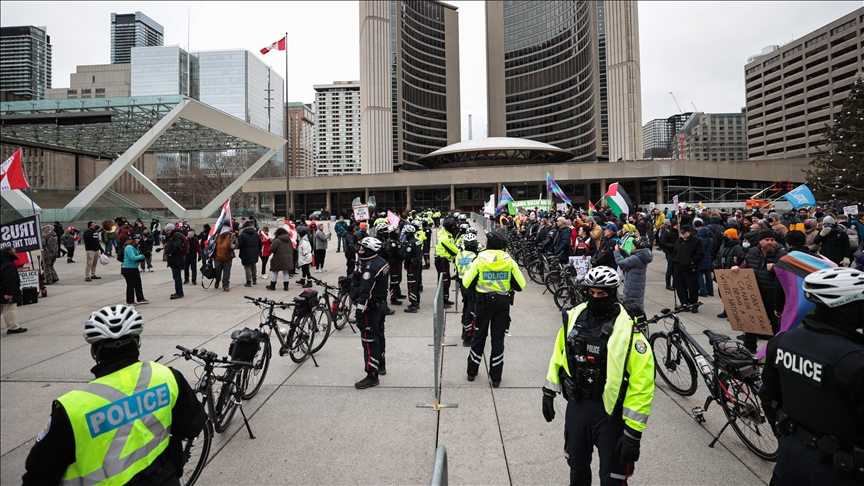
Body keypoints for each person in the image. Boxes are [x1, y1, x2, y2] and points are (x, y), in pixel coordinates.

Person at [22, 304, 206, 485]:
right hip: (163, 478)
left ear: (95, 351)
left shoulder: (72, 408)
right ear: (137, 343)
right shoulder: (166, 376)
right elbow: (191, 427)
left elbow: (39, 474)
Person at [542, 266, 655, 486]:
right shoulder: (574, 317)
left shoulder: (629, 328)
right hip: (578, 406)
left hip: (610, 414)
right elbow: (559, 354)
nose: (596, 297)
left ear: (613, 294)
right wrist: (549, 391)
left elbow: (642, 381)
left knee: (612, 477)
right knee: (577, 467)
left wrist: (633, 431)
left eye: (602, 294)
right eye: (591, 292)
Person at [759, 267, 864, 485]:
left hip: (791, 454)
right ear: (851, 306)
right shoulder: (854, 362)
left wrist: (788, 437)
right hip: (842, 468)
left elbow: (769, 397)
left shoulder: (782, 342)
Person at [462, 231, 526, 387]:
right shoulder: (509, 261)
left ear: (488, 244)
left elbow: (466, 282)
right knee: (498, 340)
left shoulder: (479, 260)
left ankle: (472, 371)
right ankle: (496, 378)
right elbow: (521, 285)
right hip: (502, 305)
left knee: (478, 336)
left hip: (483, 304)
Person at [731, 230, 787, 352]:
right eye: (766, 240)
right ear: (760, 241)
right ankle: (749, 347)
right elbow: (745, 266)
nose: (770, 242)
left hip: (772, 296)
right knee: (751, 323)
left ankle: (776, 350)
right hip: (753, 294)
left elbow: (787, 274)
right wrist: (737, 269)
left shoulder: (782, 255)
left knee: (776, 325)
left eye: (772, 240)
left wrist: (774, 269)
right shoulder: (752, 252)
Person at [351, 237, 390, 389]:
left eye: (362, 248)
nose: (359, 250)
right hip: (381, 306)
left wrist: (359, 312)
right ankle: (381, 365)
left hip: (370, 309)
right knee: (379, 335)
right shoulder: (381, 261)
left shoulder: (369, 267)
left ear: (369, 250)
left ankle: (371, 375)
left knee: (369, 341)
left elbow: (365, 292)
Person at [454, 232, 481, 344]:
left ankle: (464, 331)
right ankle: (468, 336)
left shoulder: (459, 255)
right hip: (472, 287)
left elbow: (456, 269)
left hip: (462, 286)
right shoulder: (475, 257)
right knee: (472, 311)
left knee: (466, 309)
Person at [714, 228, 747, 318]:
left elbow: (741, 259)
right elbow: (718, 256)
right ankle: (726, 310)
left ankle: (733, 312)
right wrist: (715, 264)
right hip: (722, 272)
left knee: (732, 294)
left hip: (731, 273)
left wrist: (736, 261)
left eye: (727, 235)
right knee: (723, 293)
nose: (725, 236)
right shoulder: (723, 245)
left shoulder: (737, 247)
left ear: (732, 237)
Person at [614, 236, 653, 310]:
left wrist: (616, 251)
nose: (632, 245)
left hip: (632, 286)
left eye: (633, 244)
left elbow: (620, 263)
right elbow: (630, 258)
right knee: (638, 302)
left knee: (631, 305)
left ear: (636, 246)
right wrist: (622, 251)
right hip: (637, 284)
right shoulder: (642, 254)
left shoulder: (636, 258)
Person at [672, 225, 704, 312]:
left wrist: (692, 261)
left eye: (684, 232)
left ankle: (694, 304)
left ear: (689, 232)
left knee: (692, 287)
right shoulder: (678, 241)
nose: (682, 234)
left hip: (690, 268)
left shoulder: (696, 241)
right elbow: (675, 253)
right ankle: (684, 303)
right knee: (680, 287)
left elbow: (700, 254)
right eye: (681, 232)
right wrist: (674, 262)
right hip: (678, 267)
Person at [1, 246, 27, 334]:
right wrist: (10, 292)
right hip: (5, 290)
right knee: (10, 308)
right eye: (14, 252)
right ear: (10, 253)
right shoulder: (9, 264)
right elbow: (9, 279)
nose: (16, 253)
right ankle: (12, 327)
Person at [435, 219, 460, 308]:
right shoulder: (445, 238)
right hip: (441, 261)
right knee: (444, 282)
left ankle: (445, 299)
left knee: (447, 281)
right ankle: (442, 302)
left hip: (444, 261)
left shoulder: (444, 233)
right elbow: (455, 250)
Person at [120, 234, 148, 305]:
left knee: (138, 284)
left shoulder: (136, 247)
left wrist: (143, 256)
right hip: (128, 268)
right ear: (133, 239)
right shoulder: (129, 247)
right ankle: (130, 300)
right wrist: (143, 255)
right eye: (137, 239)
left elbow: (137, 257)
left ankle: (140, 298)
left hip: (134, 268)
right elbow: (133, 257)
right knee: (131, 285)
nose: (139, 240)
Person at [211, 223, 238, 292]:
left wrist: (234, 246)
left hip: (227, 257)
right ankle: (217, 281)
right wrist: (210, 256)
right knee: (218, 272)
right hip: (217, 258)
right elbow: (211, 246)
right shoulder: (216, 236)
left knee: (227, 272)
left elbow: (237, 243)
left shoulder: (231, 236)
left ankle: (226, 285)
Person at [402, 224, 423, 313]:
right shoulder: (417, 241)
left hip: (412, 265)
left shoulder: (410, 244)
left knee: (412, 284)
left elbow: (406, 256)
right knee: (417, 283)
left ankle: (413, 304)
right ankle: (417, 301)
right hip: (418, 264)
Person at [162, 223, 186, 298]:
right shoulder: (174, 236)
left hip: (175, 259)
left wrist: (171, 253)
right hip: (175, 259)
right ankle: (178, 292)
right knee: (176, 276)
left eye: (167, 231)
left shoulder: (176, 235)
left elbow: (177, 246)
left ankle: (179, 293)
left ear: (170, 230)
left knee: (177, 277)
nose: (166, 232)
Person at [237, 222, 262, 287]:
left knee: (247, 267)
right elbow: (260, 243)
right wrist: (258, 250)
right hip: (255, 252)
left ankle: (248, 281)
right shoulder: (256, 234)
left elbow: (240, 245)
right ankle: (254, 279)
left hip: (245, 253)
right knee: (253, 265)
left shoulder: (242, 235)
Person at [695, 220, 715, 297]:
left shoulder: (698, 240)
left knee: (699, 274)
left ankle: (703, 290)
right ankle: (710, 290)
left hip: (701, 259)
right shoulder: (711, 240)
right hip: (708, 258)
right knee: (708, 274)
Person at [657, 219, 678, 291]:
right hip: (670, 252)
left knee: (675, 269)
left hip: (677, 252)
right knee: (670, 268)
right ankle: (668, 284)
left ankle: (675, 283)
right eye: (676, 225)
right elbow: (663, 243)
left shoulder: (678, 232)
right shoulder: (668, 232)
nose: (677, 226)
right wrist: (673, 246)